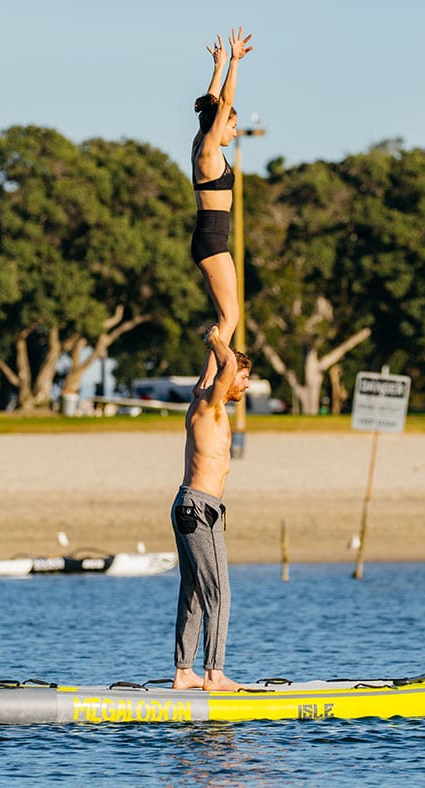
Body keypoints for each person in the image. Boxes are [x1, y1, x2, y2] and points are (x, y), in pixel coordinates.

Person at [170, 325, 251, 691]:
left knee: (194, 592)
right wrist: (218, 341)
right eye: (244, 379)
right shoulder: (210, 405)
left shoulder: (204, 400)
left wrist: (221, 326)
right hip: (198, 509)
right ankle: (214, 675)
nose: (245, 387)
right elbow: (227, 365)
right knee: (219, 591)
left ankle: (183, 673)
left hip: (195, 508)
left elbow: (213, 372)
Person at [190, 26, 254, 394]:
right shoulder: (210, 151)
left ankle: (208, 379)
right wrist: (233, 62)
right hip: (213, 241)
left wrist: (215, 68)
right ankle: (207, 382)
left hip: (209, 238)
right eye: (232, 125)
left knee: (229, 315)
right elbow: (223, 105)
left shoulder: (199, 142)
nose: (233, 130)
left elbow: (211, 103)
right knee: (230, 316)